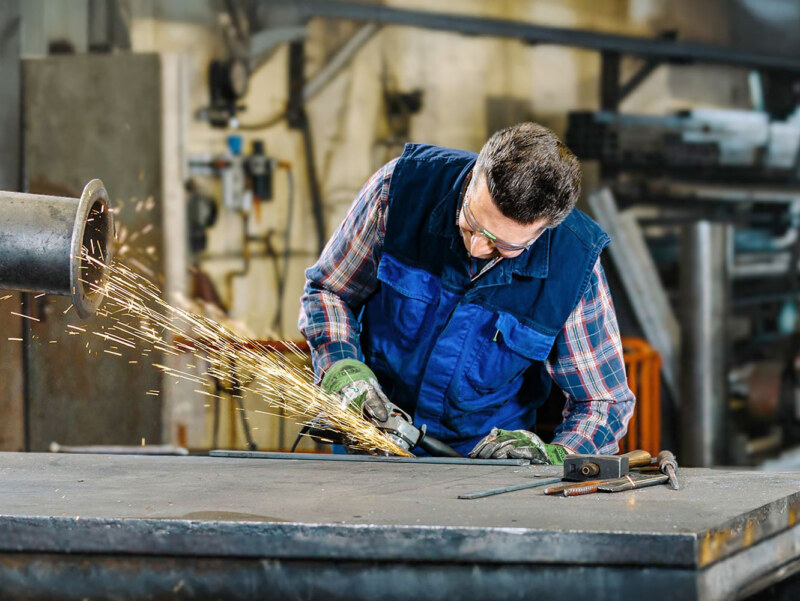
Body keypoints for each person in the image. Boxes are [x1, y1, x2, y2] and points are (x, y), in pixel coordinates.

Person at [298, 122, 635, 463]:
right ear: (476, 175)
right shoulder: (399, 190)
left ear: (543, 231)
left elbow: (603, 403)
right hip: (371, 442)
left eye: (500, 245)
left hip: (484, 468)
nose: (475, 247)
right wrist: (342, 368)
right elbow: (330, 291)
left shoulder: (573, 264)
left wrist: (555, 456)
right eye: (472, 221)